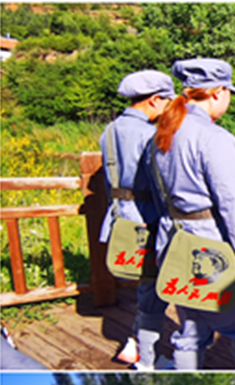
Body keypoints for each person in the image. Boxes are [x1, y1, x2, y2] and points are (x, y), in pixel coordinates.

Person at [146, 57, 235, 370]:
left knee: (191, 329)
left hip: (175, 245)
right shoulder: (216, 139)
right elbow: (234, 205)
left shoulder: (163, 132)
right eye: (229, 93)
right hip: (213, 248)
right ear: (217, 92)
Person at [100, 70, 174, 369]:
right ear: (156, 100)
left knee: (147, 286)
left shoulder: (109, 131)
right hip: (148, 219)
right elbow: (160, 185)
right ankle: (148, 358)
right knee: (155, 289)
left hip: (119, 215)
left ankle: (134, 342)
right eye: (168, 100)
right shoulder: (149, 135)